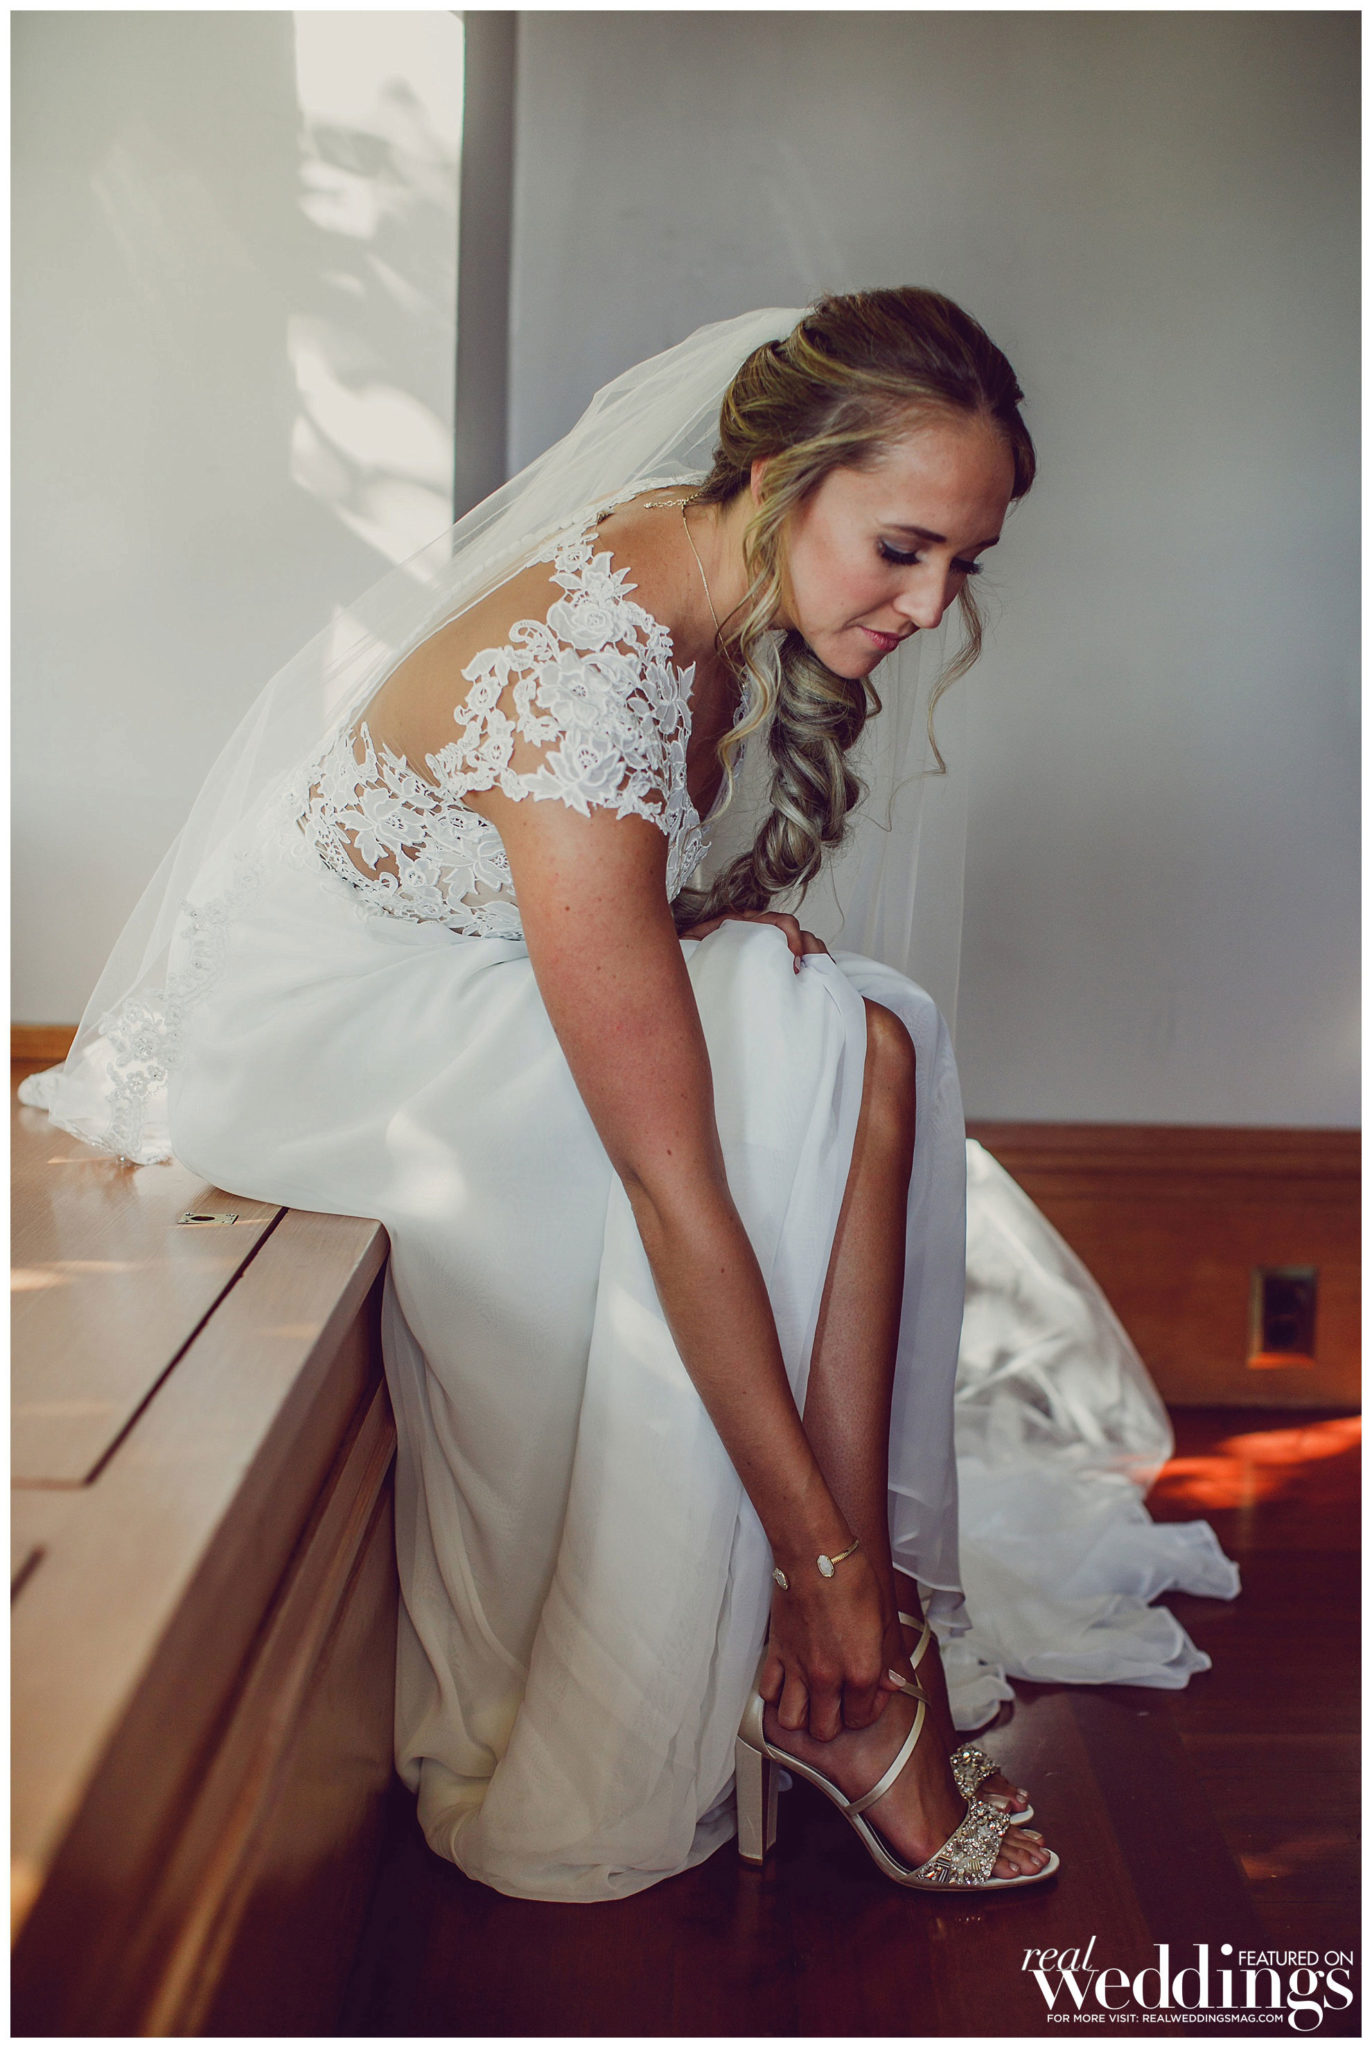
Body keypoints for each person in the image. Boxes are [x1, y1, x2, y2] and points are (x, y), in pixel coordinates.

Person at [22, 289, 1226, 1904]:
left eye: (966, 562)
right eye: (903, 549)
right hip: (339, 1042)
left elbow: (578, 894)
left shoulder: (705, 547)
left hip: (464, 981)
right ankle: (845, 1635)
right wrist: (809, 1555)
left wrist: (699, 947)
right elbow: (672, 1185)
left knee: (863, 1031)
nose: (933, 606)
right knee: (821, 1044)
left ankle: (855, 1653)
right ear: (782, 484)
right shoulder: (583, 673)